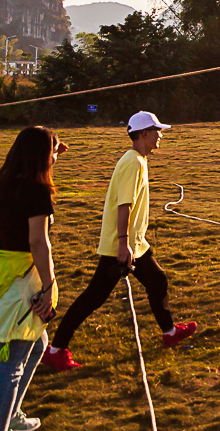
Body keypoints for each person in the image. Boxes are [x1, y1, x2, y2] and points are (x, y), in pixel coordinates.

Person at [42, 112, 197, 372]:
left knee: (157, 280)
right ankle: (55, 350)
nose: (161, 135)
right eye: (157, 130)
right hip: (122, 245)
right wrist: (123, 244)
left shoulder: (138, 160)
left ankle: (169, 332)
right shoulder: (133, 162)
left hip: (135, 243)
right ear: (144, 133)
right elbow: (123, 205)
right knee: (93, 297)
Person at [0, 126, 65, 431]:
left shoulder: (0, 183)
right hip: (20, 278)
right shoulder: (36, 189)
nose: (56, 158)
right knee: (11, 362)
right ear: (41, 154)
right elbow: (38, 242)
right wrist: (49, 283)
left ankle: (9, 415)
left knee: (36, 345)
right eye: (54, 152)